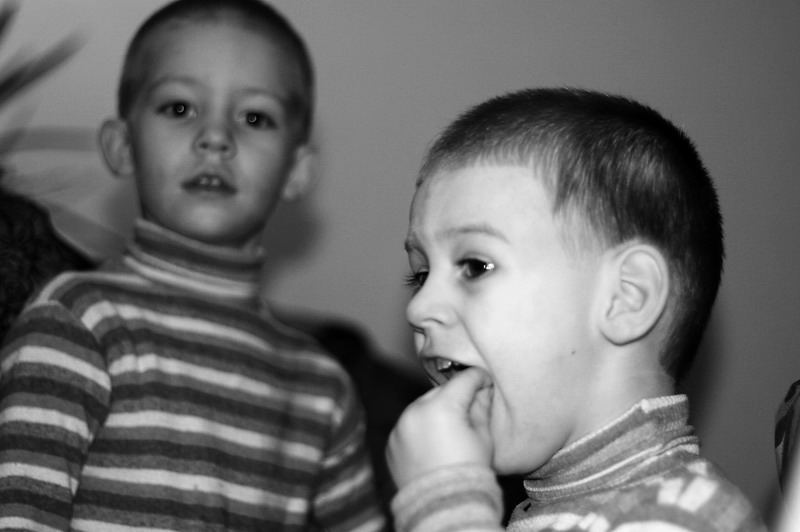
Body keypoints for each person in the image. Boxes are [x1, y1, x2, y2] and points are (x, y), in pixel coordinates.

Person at [0, 1, 386, 530]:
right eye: (180, 108)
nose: (216, 137)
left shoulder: (323, 389)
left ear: (297, 170)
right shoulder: (78, 322)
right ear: (122, 146)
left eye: (255, 117)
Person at [385, 87, 766, 532]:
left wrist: (441, 503)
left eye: (474, 266)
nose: (420, 307)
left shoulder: (680, 517)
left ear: (626, 296)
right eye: (421, 275)